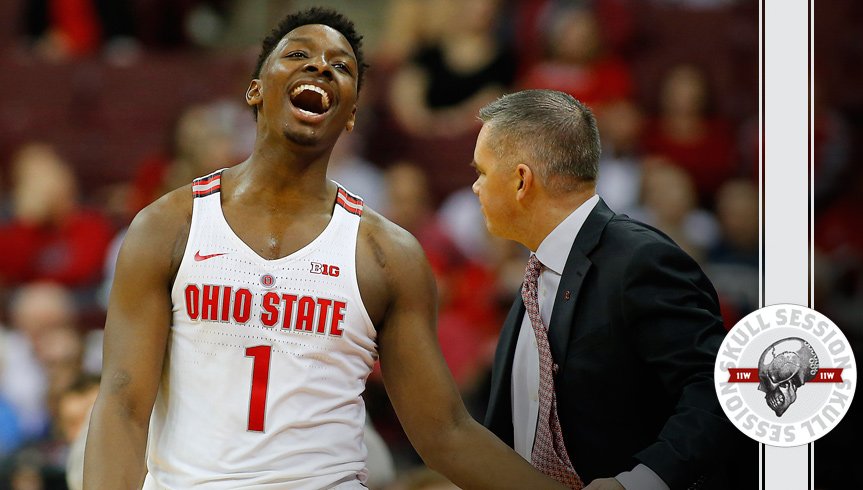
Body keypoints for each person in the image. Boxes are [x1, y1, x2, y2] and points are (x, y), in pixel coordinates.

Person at [84, 8, 566, 490]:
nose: (320, 67)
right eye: (297, 54)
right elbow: (123, 405)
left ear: (352, 113)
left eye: (341, 66)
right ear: (255, 89)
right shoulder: (169, 226)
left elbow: (445, 432)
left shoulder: (387, 255)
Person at [470, 89, 754, 489]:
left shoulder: (642, 260)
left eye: (482, 171)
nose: (475, 187)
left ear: (521, 180)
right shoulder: (536, 275)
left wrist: (639, 482)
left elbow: (720, 387)